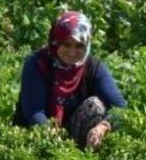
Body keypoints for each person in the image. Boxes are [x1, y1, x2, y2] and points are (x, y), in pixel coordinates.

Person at [13, 11, 127, 150]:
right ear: (56, 41)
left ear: (87, 45)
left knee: (95, 105)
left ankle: (82, 153)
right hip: (37, 134)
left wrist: (103, 127)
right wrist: (53, 139)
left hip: (76, 134)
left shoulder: (93, 68)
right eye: (66, 44)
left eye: (79, 46)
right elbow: (34, 112)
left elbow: (120, 108)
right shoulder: (37, 64)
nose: (72, 53)